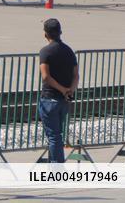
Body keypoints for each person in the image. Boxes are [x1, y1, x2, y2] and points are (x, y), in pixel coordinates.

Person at [38, 18, 78, 164]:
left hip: (49, 99)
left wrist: (62, 90)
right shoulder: (69, 51)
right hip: (64, 101)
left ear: (45, 34)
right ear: (60, 32)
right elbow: (76, 75)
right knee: (57, 135)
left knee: (54, 136)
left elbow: (46, 76)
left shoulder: (45, 51)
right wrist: (69, 91)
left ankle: (57, 168)